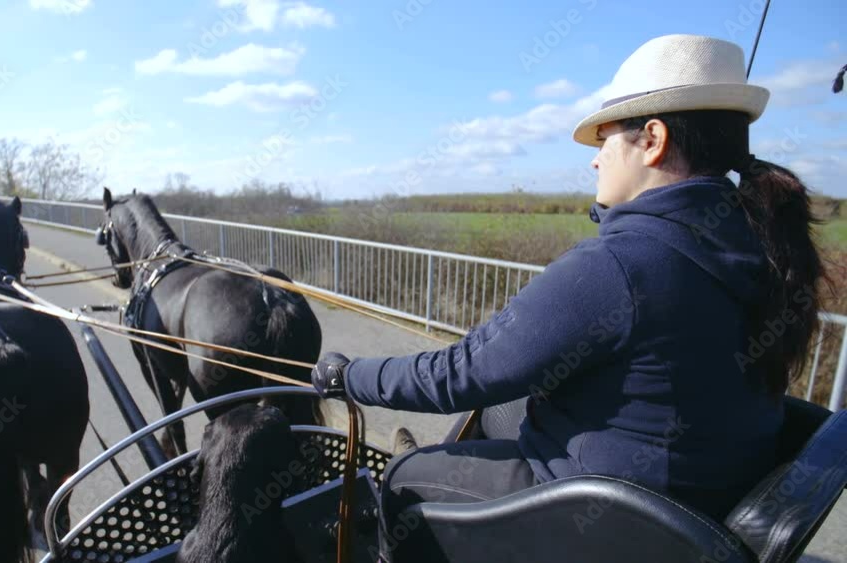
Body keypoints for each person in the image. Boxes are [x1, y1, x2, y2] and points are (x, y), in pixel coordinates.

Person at [310, 34, 832, 561]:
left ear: (653, 140)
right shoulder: (755, 242)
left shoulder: (621, 264)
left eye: (605, 140)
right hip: (698, 497)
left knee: (403, 476)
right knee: (500, 404)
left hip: (618, 520)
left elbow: (459, 373)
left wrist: (348, 377)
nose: (595, 161)